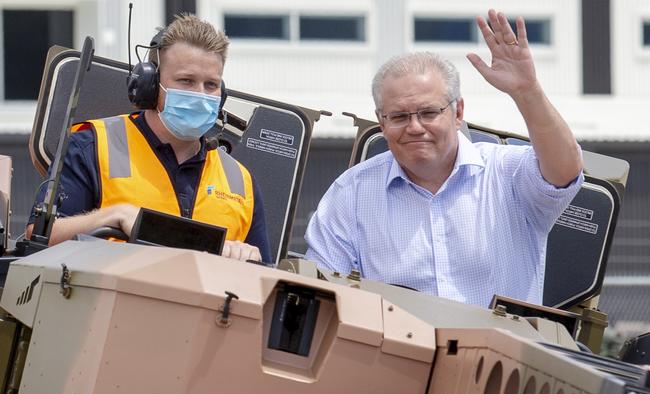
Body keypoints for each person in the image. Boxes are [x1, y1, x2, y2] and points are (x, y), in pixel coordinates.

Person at [305, 9, 584, 307]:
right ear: (381, 123)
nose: (414, 127)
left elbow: (565, 170)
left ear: (458, 113)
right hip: (396, 350)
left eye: (428, 113)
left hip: (502, 349)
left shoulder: (506, 173)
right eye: (399, 116)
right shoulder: (351, 194)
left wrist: (528, 92)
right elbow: (320, 292)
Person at [26, 14, 270, 263]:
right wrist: (113, 215)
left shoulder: (241, 182)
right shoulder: (92, 145)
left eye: (211, 85)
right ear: (150, 85)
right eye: (186, 81)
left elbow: (266, 283)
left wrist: (250, 258)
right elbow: (41, 237)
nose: (200, 94)